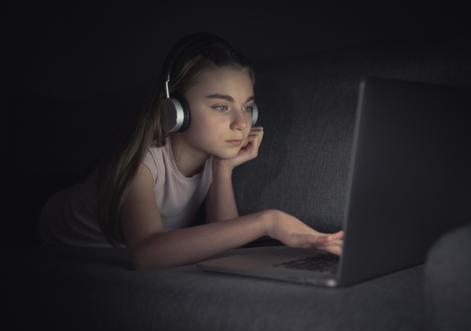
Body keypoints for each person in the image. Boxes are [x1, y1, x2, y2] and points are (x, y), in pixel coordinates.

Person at [38, 32, 344, 269]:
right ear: (176, 111)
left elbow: (225, 247)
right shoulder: (143, 164)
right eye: (221, 106)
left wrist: (222, 170)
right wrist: (269, 221)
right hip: (46, 223)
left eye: (247, 107)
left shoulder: (213, 157)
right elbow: (148, 255)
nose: (241, 122)